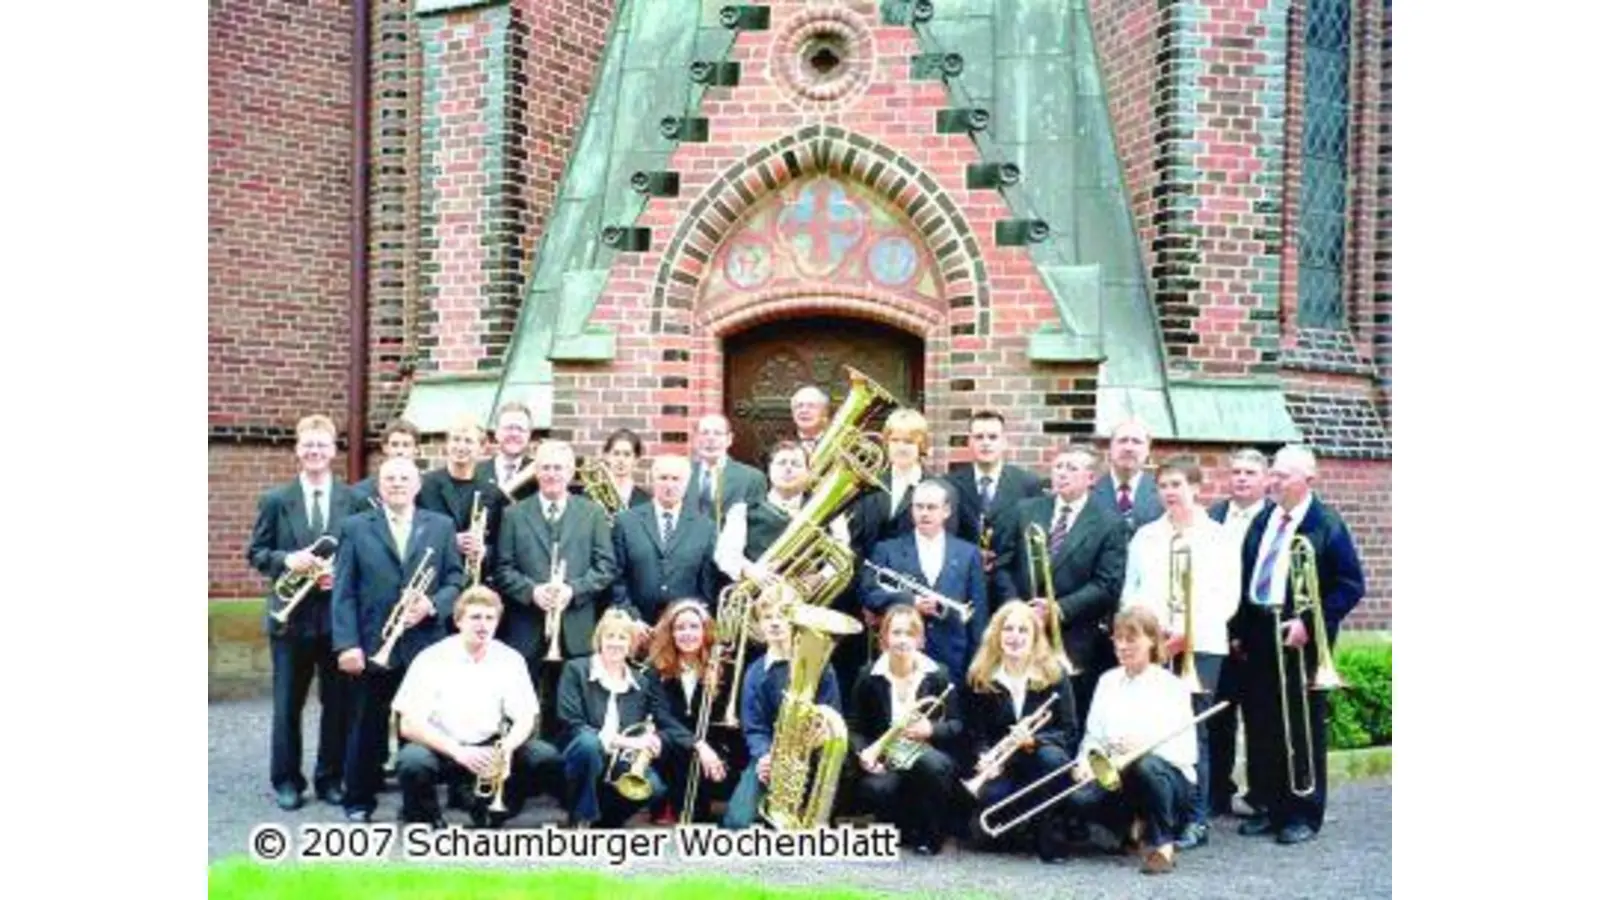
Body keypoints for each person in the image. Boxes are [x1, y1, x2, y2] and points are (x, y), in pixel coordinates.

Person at [1236, 445, 1364, 845]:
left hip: (1300, 640)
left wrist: (1309, 623)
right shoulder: (1264, 518)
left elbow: (1350, 586)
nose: (1273, 482)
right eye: (1273, 475)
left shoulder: (1326, 523)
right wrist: (1239, 630)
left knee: (1301, 727)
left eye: (1282, 476)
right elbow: (1247, 575)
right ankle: (1269, 806)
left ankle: (1304, 812)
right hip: (1260, 631)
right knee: (1263, 725)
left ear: (1309, 479)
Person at [330, 456, 465, 822]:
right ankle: (358, 801)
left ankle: (417, 806)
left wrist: (432, 605)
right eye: (390, 479)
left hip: (424, 644)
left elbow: (456, 579)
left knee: (420, 728)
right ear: (379, 486)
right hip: (373, 643)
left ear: (417, 486)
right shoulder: (356, 527)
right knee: (366, 726)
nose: (397, 484)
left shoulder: (440, 525)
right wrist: (347, 644)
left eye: (405, 478)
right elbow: (343, 591)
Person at [1119, 456, 1240, 849]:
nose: (1169, 492)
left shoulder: (1219, 537)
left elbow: (1226, 597)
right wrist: (1150, 635)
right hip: (1153, 645)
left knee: (1193, 731)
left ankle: (1196, 820)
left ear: (1196, 488)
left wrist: (1187, 634)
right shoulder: (1146, 536)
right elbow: (1131, 592)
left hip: (1200, 647)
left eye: (1177, 485)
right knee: (1149, 728)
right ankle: (1155, 816)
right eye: (1163, 486)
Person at [247, 413, 358, 811]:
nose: (315, 451)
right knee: (287, 705)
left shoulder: (352, 499)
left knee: (338, 705)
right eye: (308, 445)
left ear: (333, 450)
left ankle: (330, 778)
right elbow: (256, 553)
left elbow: (360, 553)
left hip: (335, 619)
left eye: (321, 445)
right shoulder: (276, 500)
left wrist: (338, 575)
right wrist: (287, 560)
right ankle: (287, 781)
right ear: (297, 449)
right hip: (290, 620)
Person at [390, 585, 563, 828]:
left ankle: (492, 805)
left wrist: (507, 748)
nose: (483, 625)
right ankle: (425, 818)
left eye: (490, 618)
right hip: (443, 746)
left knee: (544, 757)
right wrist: (458, 751)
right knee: (412, 761)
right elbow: (408, 724)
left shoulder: (511, 659)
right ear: (458, 621)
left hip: (490, 748)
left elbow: (526, 717)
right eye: (475, 617)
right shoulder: (431, 658)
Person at [1059, 607, 1202, 876]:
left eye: (1131, 639)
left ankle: (1162, 846)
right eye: (1118, 639)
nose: (1123, 646)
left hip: (1167, 781)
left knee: (1147, 767)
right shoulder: (1107, 681)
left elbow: (1187, 753)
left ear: (1152, 641)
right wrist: (1086, 763)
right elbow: (1093, 736)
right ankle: (1130, 826)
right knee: (1079, 799)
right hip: (1118, 772)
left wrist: (1145, 745)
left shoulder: (1172, 686)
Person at [995, 444, 1129, 726]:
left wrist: (1058, 609)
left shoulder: (1109, 523)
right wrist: (1019, 609)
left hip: (1074, 636)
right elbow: (1002, 565)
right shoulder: (1025, 511)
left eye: (1071, 468)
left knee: (1068, 716)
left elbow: (1107, 584)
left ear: (1091, 478)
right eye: (1058, 467)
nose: (1062, 473)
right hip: (1020, 631)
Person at [494, 440, 618, 724]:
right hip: (526, 626)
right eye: (546, 467)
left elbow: (605, 567)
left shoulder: (593, 513)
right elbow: (502, 569)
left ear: (571, 472)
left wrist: (573, 590)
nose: (552, 474)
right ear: (536, 471)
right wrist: (532, 592)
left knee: (572, 711)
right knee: (521, 709)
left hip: (576, 627)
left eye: (558, 468)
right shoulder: (514, 514)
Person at [962, 600, 1079, 863]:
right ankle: (1022, 824)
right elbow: (975, 732)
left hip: (1041, 761)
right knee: (988, 822)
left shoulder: (1054, 674)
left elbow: (1069, 732)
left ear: (1035, 637)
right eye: (1008, 629)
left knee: (1051, 758)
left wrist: (1033, 740)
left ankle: (1048, 833)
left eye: (1023, 630)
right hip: (1005, 767)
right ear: (997, 634)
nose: (1015, 637)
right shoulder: (981, 677)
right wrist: (984, 756)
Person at [722, 584, 844, 830]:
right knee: (736, 823)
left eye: (783, 615)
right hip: (771, 756)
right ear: (759, 624)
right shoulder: (755, 672)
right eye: (768, 617)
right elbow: (754, 727)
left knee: (807, 825)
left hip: (813, 757)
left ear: (795, 620)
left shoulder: (822, 666)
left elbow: (832, 714)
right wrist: (765, 756)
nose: (775, 623)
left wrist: (817, 737)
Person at [848, 605, 963, 855]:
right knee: (876, 789)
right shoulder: (868, 675)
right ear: (884, 638)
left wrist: (930, 729)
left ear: (920, 641)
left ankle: (931, 838)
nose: (902, 640)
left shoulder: (938, 674)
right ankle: (902, 828)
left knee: (932, 765)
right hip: (888, 757)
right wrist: (864, 753)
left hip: (926, 754)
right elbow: (855, 727)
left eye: (910, 634)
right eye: (896, 632)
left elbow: (956, 725)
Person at [1205, 447, 1274, 818]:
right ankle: (1217, 792)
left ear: (1265, 479)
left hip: (1257, 639)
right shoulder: (1211, 516)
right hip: (1216, 634)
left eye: (1250, 472)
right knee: (1217, 719)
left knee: (1260, 720)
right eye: (1236, 472)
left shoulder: (1276, 519)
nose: (1242, 478)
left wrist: (1243, 633)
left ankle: (1260, 796)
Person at [860, 480, 988, 679]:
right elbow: (868, 594)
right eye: (919, 507)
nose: (924, 513)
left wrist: (977, 663)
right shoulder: (887, 550)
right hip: (898, 658)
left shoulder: (968, 553)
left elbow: (978, 615)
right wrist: (910, 601)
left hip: (952, 656)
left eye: (931, 507)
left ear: (946, 511)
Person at [554, 608, 667, 828]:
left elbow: (647, 723)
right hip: (580, 755)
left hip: (620, 758)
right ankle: (581, 818)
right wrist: (626, 741)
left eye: (622, 637)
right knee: (588, 744)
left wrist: (651, 739)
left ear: (631, 644)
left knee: (654, 787)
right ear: (600, 640)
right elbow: (572, 723)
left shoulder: (640, 682)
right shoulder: (576, 669)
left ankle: (604, 825)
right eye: (610, 636)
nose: (616, 643)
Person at [641, 599, 746, 824]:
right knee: (671, 743)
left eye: (694, 627)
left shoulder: (722, 667)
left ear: (704, 631)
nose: (687, 633)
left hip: (714, 746)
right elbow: (661, 715)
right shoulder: (655, 668)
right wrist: (698, 745)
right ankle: (674, 804)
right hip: (675, 747)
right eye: (680, 628)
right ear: (671, 633)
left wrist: (709, 748)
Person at [609, 455, 718, 628]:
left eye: (676, 479)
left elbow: (707, 585)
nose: (669, 485)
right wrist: (631, 618)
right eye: (663, 478)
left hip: (682, 629)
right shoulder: (626, 522)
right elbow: (616, 577)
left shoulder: (705, 527)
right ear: (653, 480)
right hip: (635, 626)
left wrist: (691, 620)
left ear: (687, 483)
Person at [946, 411, 1045, 575]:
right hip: (962, 575)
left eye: (993, 437)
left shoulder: (1027, 484)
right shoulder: (951, 485)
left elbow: (1034, 540)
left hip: (1011, 578)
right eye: (979, 437)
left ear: (1004, 442)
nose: (986, 443)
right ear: (969, 442)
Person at [418, 416, 506, 591]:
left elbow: (500, 545)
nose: (461, 446)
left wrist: (483, 551)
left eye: (468, 441)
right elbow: (414, 534)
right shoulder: (424, 486)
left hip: (474, 587)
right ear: (447, 445)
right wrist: (450, 541)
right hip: (434, 583)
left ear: (482, 448)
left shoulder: (493, 493)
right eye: (456, 439)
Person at [852, 409, 958, 549]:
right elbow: (857, 542)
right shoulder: (868, 485)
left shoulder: (942, 490)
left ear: (921, 446)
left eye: (908, 442)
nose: (901, 448)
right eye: (895, 440)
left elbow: (945, 545)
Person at [688, 414, 766, 533]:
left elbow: (757, 527)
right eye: (704, 433)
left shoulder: (751, 478)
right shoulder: (681, 474)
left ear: (729, 439)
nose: (710, 439)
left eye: (717, 433)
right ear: (695, 439)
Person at [1090, 419, 1163, 531]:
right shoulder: (1089, 491)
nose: (1128, 448)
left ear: (1147, 451)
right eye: (1122, 441)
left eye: (1136, 442)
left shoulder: (1162, 492)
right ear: (1110, 448)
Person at [350, 419, 421, 510]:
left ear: (416, 449)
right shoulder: (362, 491)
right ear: (385, 448)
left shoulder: (428, 489)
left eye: (406, 445)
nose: (400, 451)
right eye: (394, 445)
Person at [476, 401, 539, 502]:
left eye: (520, 429)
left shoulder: (539, 474)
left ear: (529, 434)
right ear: (496, 432)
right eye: (509, 428)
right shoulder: (476, 473)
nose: (514, 434)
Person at [587, 428, 653, 512]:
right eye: (616, 453)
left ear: (636, 459)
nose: (621, 459)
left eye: (627, 454)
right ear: (606, 456)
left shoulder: (646, 501)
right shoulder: (590, 497)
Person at [789, 384, 831, 458]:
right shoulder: (780, 447)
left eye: (811, 406)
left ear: (824, 412)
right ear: (792, 413)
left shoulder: (838, 443)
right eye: (799, 406)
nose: (804, 410)